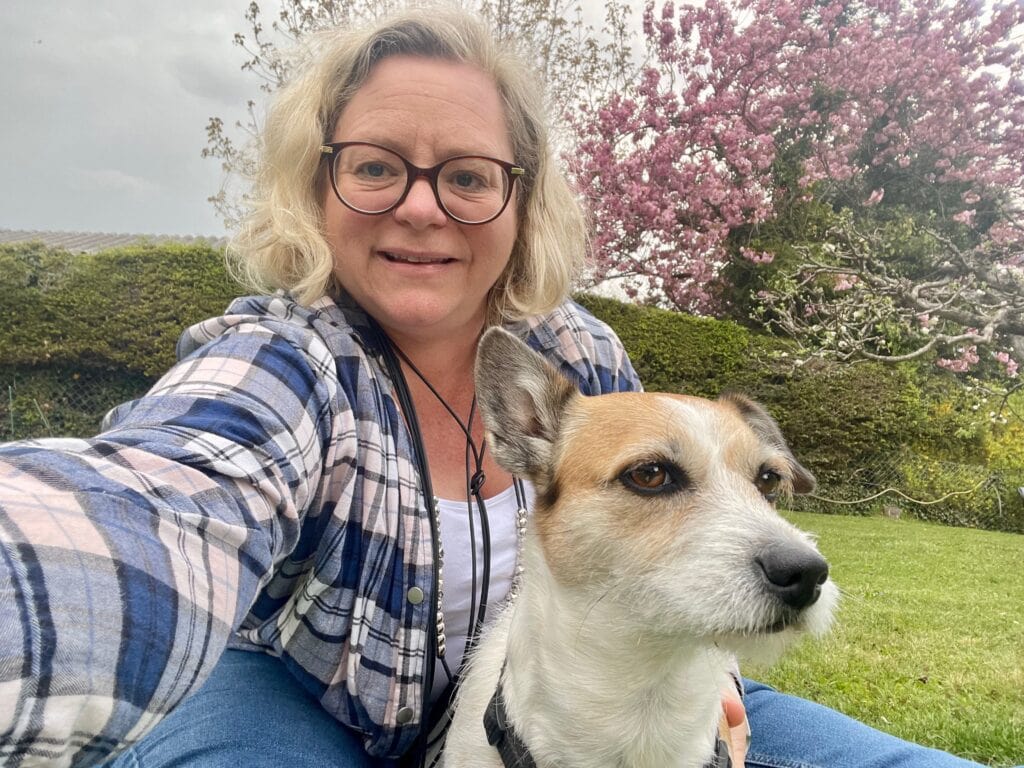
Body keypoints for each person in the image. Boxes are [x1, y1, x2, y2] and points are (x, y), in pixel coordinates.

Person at [0, 7, 1010, 768]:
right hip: (306, 702)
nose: (424, 207)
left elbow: (678, 539)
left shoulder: (584, 354)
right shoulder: (281, 367)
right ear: (318, 187)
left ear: (519, 199)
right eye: (377, 167)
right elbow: (157, 496)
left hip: (570, 700)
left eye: (469, 176)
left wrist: (716, 675)